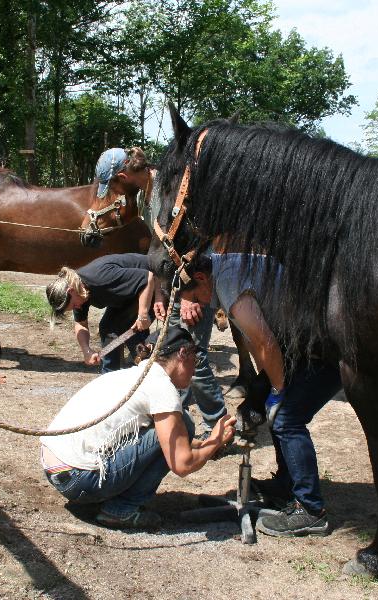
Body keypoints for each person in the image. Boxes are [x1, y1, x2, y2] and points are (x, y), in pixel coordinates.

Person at [179, 252, 340, 537]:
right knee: (277, 411)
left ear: (201, 278)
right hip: (304, 345)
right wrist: (265, 388)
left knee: (286, 419)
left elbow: (265, 342)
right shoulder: (222, 266)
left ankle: (311, 510)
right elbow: (257, 343)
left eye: (195, 298)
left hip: (326, 348)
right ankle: (285, 487)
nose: (201, 305)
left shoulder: (228, 284)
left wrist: (277, 393)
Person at [40, 326, 237, 529]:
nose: (194, 370)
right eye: (194, 361)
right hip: (79, 478)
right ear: (182, 354)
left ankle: (107, 497)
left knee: (176, 428)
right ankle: (120, 510)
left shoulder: (132, 375)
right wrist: (216, 441)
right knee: (184, 423)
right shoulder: (161, 388)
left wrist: (199, 444)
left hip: (55, 467)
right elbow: (182, 465)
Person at [95, 146, 227, 435]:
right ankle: (177, 419)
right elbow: (160, 251)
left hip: (196, 281)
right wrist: (158, 294)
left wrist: (190, 292)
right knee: (173, 350)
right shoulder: (145, 196)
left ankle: (218, 422)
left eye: (114, 186)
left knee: (192, 353)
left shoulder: (174, 188)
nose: (114, 193)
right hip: (176, 284)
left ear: (122, 176)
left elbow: (201, 241)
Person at [46, 253, 156, 372]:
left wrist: (142, 314)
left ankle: (149, 370)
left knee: (124, 326)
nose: (76, 308)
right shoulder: (79, 292)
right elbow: (80, 324)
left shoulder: (99, 279)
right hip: (131, 293)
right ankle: (110, 377)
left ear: (71, 291)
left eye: (73, 305)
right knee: (108, 328)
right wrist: (86, 350)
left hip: (154, 282)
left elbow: (147, 278)